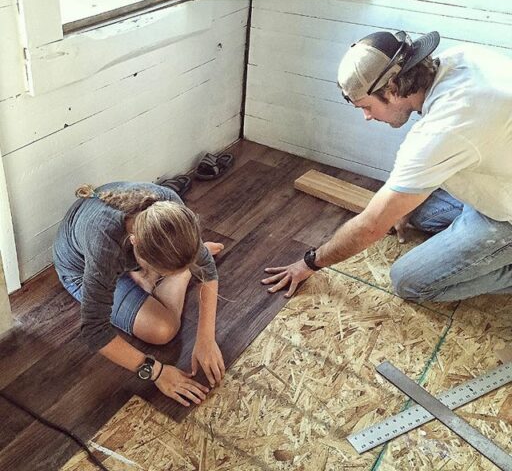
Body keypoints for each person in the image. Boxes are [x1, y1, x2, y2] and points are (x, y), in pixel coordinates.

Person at [262, 30, 512, 303]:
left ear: (392, 89)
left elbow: (370, 226)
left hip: (505, 216)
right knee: (416, 211)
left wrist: (310, 262)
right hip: (500, 177)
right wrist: (401, 204)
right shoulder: (459, 59)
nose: (367, 117)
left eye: (366, 106)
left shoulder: (447, 127)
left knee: (409, 282)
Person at [53, 181, 225, 407]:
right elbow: (95, 331)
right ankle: (177, 275)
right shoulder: (105, 245)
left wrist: (206, 338)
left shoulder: (169, 205)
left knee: (190, 263)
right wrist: (156, 372)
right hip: (80, 268)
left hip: (120, 257)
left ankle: (166, 274)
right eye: (169, 269)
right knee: (163, 329)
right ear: (135, 244)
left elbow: (208, 271)